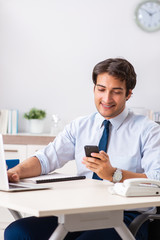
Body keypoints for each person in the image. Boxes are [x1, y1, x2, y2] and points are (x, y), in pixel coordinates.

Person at [4, 58, 160, 240]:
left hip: (126, 216)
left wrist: (114, 174)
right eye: (101, 89)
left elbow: (157, 180)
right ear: (94, 88)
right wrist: (15, 172)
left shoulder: (148, 131)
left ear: (128, 94)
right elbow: (45, 159)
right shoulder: (80, 126)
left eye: (116, 92)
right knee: (18, 232)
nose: (107, 99)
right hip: (79, 212)